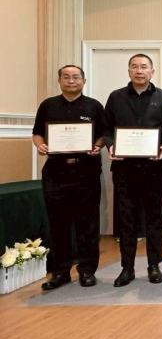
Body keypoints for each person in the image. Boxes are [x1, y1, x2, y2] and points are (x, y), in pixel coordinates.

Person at [103, 54, 162, 287]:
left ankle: (154, 265)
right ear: (128, 71)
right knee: (126, 218)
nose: (139, 71)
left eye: (144, 67)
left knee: (153, 217)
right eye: (135, 67)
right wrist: (111, 145)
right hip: (124, 167)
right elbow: (106, 128)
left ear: (152, 72)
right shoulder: (116, 97)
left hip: (154, 167)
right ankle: (127, 268)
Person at [32, 65, 105, 289]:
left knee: (88, 223)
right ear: (59, 81)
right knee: (58, 223)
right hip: (56, 172)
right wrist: (40, 145)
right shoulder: (48, 105)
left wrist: (97, 145)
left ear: (84, 81)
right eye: (66, 77)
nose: (71, 81)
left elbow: (103, 134)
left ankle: (87, 271)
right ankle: (60, 272)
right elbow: (37, 133)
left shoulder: (94, 106)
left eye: (75, 77)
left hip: (86, 171)